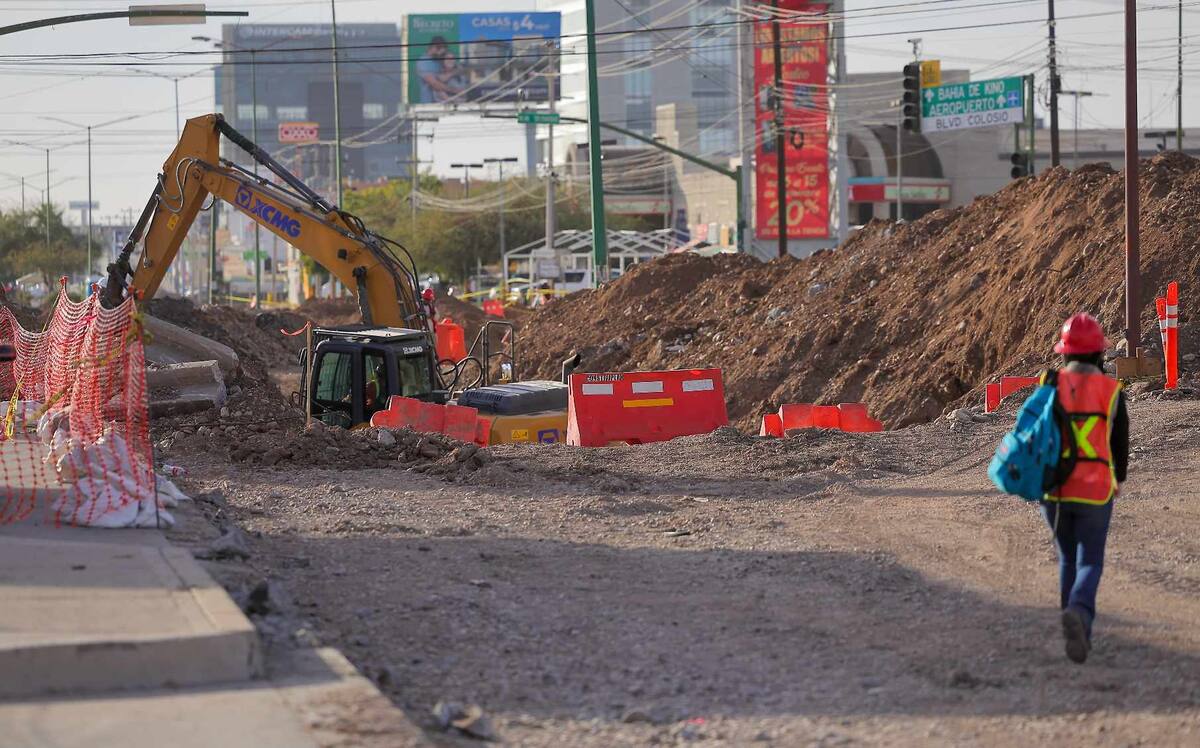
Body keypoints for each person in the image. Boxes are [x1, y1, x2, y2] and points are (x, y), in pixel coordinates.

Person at [1041, 313, 1129, 664]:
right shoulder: (1111, 392)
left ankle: (1072, 625)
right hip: (1095, 490)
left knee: (1067, 557)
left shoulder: (1049, 386)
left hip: (1055, 490)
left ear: (1064, 353)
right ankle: (1079, 614)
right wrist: (1117, 479)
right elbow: (1119, 445)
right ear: (1099, 354)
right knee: (1090, 559)